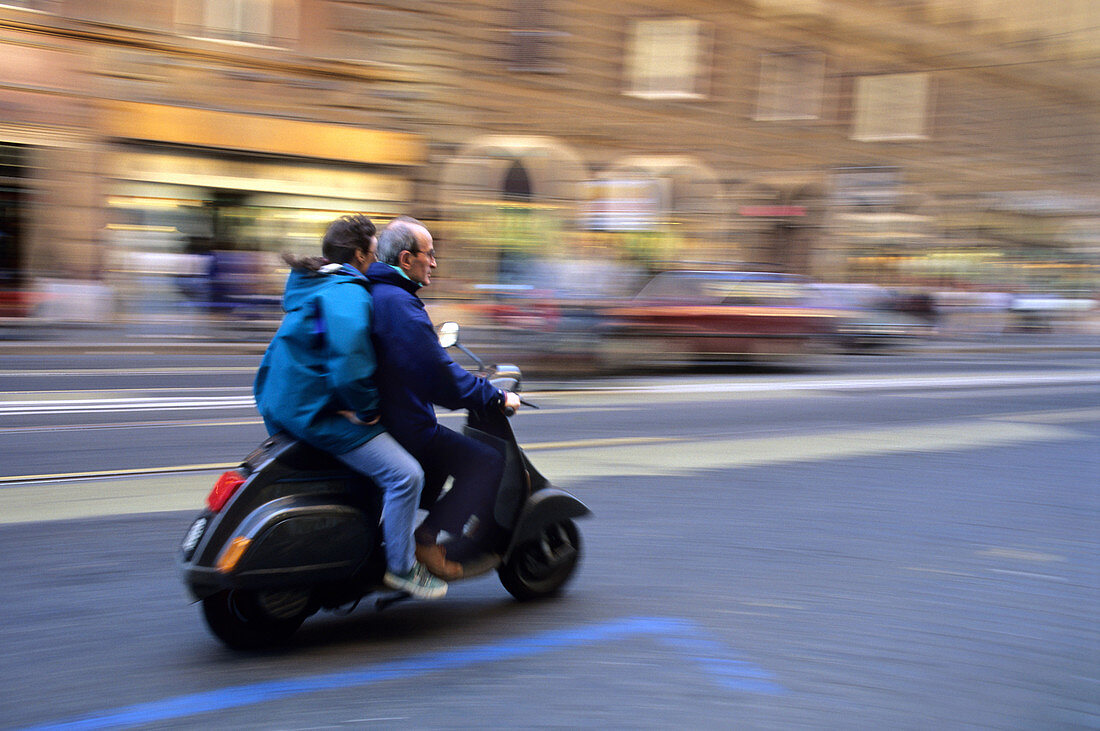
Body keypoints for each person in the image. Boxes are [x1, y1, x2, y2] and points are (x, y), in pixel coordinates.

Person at [252, 214, 446, 600]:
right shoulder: (347, 291)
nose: (377, 261)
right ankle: (403, 569)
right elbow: (349, 361)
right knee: (405, 475)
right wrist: (366, 408)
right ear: (359, 254)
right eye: (373, 252)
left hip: (282, 404)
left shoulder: (314, 282)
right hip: (317, 412)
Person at [367, 216, 522, 579]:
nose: (434, 262)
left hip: (390, 415)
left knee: (441, 466)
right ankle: (427, 539)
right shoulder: (400, 305)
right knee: (485, 463)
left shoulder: (380, 294)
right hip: (404, 424)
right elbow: (439, 377)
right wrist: (495, 398)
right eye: (430, 254)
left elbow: (422, 363)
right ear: (406, 260)